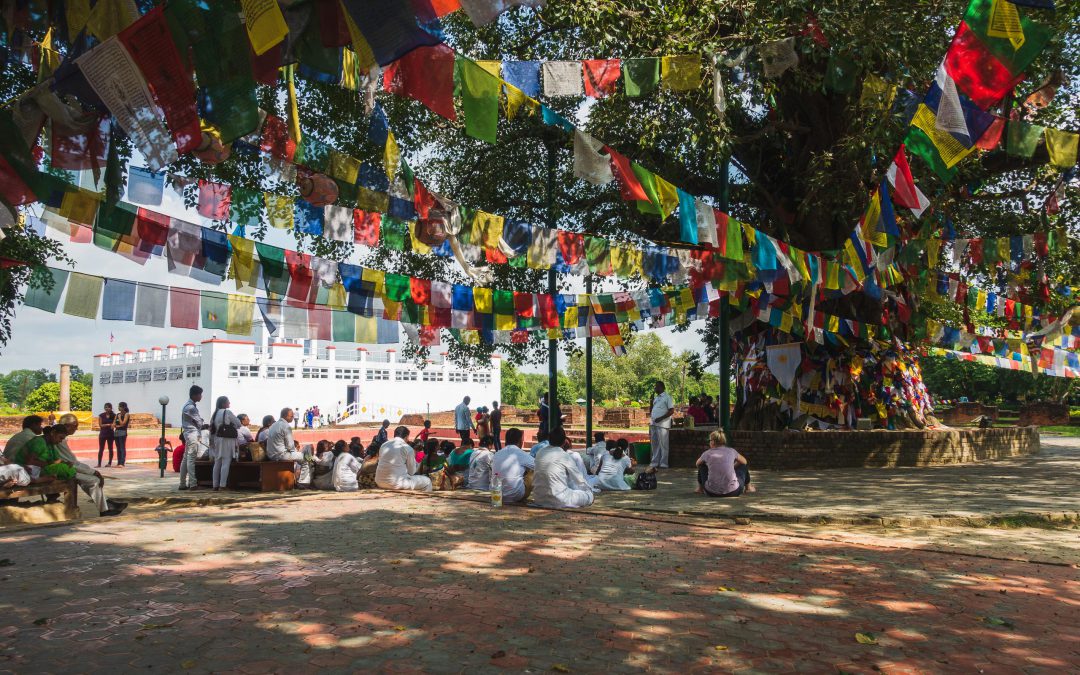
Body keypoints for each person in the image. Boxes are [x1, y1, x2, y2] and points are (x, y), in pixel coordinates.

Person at [56, 414, 126, 516]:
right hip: (63, 469)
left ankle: (107, 503)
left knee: (90, 480)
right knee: (93, 480)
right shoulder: (59, 441)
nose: (77, 428)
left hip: (67, 468)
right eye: (75, 426)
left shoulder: (62, 439)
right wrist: (93, 472)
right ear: (67, 426)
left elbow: (73, 462)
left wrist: (91, 471)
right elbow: (71, 463)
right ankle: (104, 509)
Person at [532, 428, 594, 509]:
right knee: (588, 496)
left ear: (549, 440)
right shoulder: (564, 455)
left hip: (538, 499)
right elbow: (579, 479)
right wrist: (588, 490)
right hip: (560, 499)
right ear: (564, 441)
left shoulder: (540, 452)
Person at [695, 430, 751, 498]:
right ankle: (749, 488)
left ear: (712, 442)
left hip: (711, 492)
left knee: (701, 465)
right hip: (733, 492)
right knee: (743, 466)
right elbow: (744, 461)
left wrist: (709, 466)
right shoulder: (731, 451)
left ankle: (700, 489)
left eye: (709, 440)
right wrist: (733, 466)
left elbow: (697, 464)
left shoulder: (707, 453)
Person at [375, 426, 432, 491]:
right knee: (428, 481)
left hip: (379, 481)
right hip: (396, 483)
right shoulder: (407, 448)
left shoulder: (384, 445)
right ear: (407, 436)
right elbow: (412, 472)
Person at [492, 428, 535, 504]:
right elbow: (538, 465)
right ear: (520, 441)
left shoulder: (497, 453)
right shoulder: (520, 453)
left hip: (496, 494)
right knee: (532, 472)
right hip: (515, 495)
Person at [208, 396, 242, 492]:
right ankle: (222, 485)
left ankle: (215, 485)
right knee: (226, 461)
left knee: (218, 461)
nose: (229, 403)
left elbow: (211, 428)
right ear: (223, 404)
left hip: (217, 439)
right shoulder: (227, 412)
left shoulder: (214, 414)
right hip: (227, 439)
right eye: (228, 402)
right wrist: (232, 425)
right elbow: (238, 423)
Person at [179, 385, 205, 491]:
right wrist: (201, 422)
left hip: (188, 433)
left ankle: (182, 483)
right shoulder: (191, 407)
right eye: (200, 394)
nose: (201, 396)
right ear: (195, 395)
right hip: (192, 434)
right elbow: (199, 422)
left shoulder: (188, 406)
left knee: (186, 458)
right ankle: (193, 483)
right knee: (191, 458)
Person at [648, 380, 675, 471]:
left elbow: (671, 411)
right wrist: (651, 401)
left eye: (657, 386)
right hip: (653, 423)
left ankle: (664, 463)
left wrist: (661, 418)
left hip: (663, 424)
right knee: (654, 444)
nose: (655, 388)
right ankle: (655, 462)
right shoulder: (656, 398)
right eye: (655, 386)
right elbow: (651, 410)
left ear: (662, 388)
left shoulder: (667, 397)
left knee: (663, 445)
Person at [97, 403, 115, 467]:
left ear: (111, 408)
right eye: (106, 407)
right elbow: (100, 425)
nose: (107, 408)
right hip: (103, 434)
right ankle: (99, 464)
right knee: (101, 449)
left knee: (110, 448)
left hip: (110, 434)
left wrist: (111, 425)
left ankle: (109, 463)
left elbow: (114, 424)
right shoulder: (101, 415)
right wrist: (108, 425)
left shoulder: (114, 415)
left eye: (108, 407)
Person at [113, 402, 131, 467]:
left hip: (122, 432)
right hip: (116, 433)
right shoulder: (117, 414)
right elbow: (114, 423)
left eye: (120, 406)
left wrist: (120, 418)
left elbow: (123, 423)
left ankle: (122, 463)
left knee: (122, 448)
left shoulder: (126, 414)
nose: (118, 408)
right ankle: (118, 462)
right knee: (118, 448)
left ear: (123, 407)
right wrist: (114, 425)